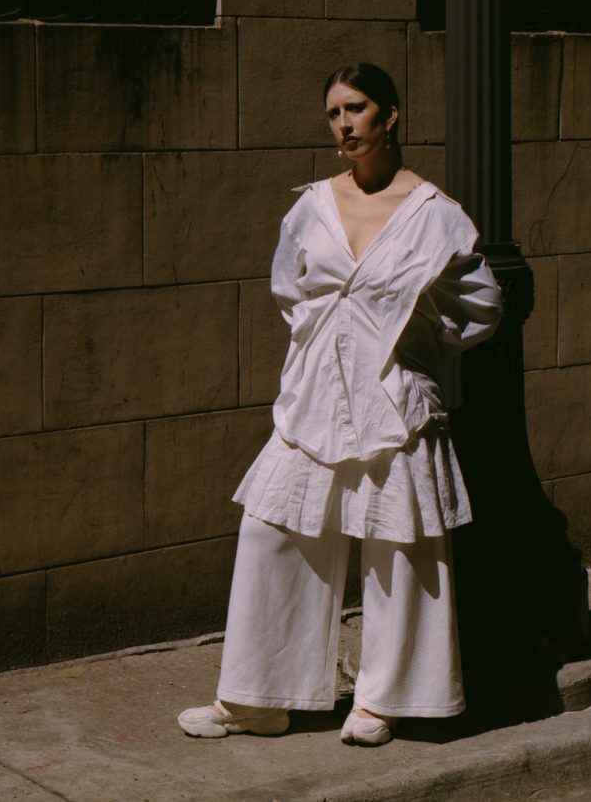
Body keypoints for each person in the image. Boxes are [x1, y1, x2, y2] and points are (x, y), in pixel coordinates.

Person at [177, 63, 503, 746]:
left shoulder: (435, 215)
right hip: (315, 396)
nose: (344, 124)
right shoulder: (313, 205)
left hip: (395, 398)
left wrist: (414, 340)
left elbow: (482, 306)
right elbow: (288, 289)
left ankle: (383, 701)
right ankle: (256, 698)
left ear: (391, 115)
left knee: (399, 546)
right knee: (271, 532)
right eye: (333, 112)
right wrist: (327, 341)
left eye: (356, 108)